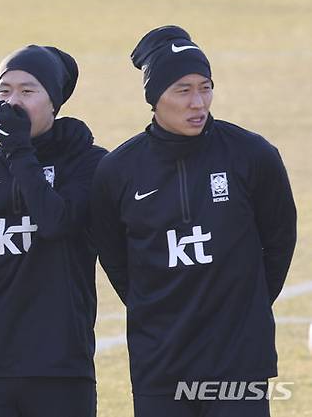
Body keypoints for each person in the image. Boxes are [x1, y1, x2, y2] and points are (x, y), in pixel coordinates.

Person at [90, 25, 297, 417]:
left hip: (237, 358)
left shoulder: (252, 154)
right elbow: (114, 257)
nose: (198, 102)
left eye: (205, 87)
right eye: (182, 90)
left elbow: (280, 239)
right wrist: (153, 306)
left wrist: (245, 305)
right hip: (160, 361)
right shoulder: (118, 170)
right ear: (154, 97)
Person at [0, 45, 107, 417]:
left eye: (28, 91)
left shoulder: (89, 163)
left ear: (54, 103)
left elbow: (55, 221)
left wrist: (19, 151)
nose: (13, 102)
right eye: (4, 90)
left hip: (62, 371)